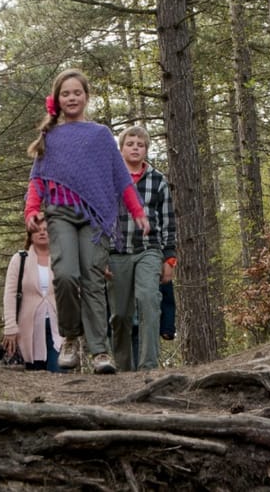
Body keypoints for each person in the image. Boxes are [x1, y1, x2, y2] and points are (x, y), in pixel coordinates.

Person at [24, 68, 149, 375]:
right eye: (65, 93)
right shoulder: (50, 137)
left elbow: (121, 178)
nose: (71, 98)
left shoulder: (100, 135)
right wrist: (31, 210)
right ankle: (69, 337)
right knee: (66, 275)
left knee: (93, 280)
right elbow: (37, 180)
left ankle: (99, 352)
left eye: (76, 92)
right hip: (60, 212)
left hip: (95, 217)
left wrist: (138, 211)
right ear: (57, 99)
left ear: (86, 97)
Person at [108, 126, 176, 371]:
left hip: (149, 250)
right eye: (130, 143)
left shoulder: (158, 180)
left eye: (140, 144)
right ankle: (124, 369)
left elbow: (168, 221)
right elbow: (99, 218)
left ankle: (148, 367)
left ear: (146, 149)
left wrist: (169, 259)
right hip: (116, 253)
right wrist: (100, 256)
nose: (135, 147)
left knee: (149, 301)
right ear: (121, 148)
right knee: (120, 315)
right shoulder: (110, 179)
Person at [2, 220, 63, 372]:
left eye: (46, 229)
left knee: (59, 372)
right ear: (30, 235)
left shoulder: (62, 259)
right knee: (34, 375)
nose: (42, 233)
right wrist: (10, 327)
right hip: (28, 329)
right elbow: (9, 294)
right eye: (37, 230)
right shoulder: (20, 259)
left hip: (58, 328)